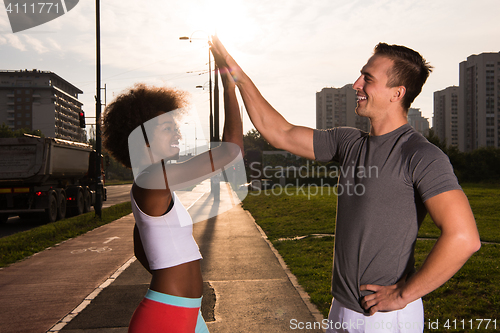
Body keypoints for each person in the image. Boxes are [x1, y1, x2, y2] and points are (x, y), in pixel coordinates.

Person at [210, 37, 481, 332]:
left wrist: (403, 294)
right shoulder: (348, 142)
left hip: (384, 319)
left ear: (397, 93)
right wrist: (234, 72)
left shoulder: (421, 155)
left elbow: (464, 237)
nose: (356, 84)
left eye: (368, 78)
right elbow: (281, 132)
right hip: (341, 308)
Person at [101, 60, 243, 332]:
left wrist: (174, 278)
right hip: (166, 316)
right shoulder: (153, 179)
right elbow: (230, 151)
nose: (178, 132)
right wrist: (229, 87)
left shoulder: (150, 182)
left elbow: (141, 248)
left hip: (185, 312)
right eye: (167, 128)